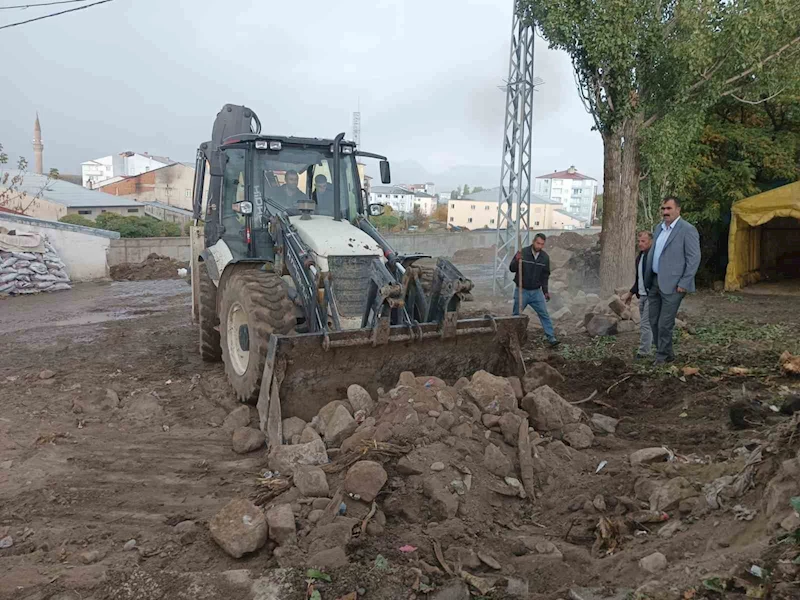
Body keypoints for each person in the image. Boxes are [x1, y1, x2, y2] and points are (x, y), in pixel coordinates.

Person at [644, 196, 701, 365]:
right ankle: (667, 353)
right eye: (663, 209)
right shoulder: (658, 228)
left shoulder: (687, 230)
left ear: (678, 210)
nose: (665, 212)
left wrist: (684, 282)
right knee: (653, 320)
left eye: (669, 209)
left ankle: (662, 356)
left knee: (665, 323)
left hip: (674, 285)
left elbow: (694, 258)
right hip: (654, 282)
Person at [509, 233, 559, 347]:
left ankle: (551, 338)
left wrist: (545, 291)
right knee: (516, 315)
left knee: (544, 314)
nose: (539, 246)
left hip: (536, 292)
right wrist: (516, 261)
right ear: (533, 241)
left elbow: (544, 276)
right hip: (522, 291)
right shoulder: (523, 253)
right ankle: (513, 339)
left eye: (542, 244)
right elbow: (512, 269)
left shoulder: (544, 258)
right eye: (538, 243)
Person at [621, 231, 654, 359]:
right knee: (650, 323)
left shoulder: (653, 257)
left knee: (645, 323)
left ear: (651, 241)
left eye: (643, 241)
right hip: (642, 295)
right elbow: (638, 279)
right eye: (639, 241)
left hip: (652, 294)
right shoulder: (640, 257)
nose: (640, 244)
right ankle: (655, 344)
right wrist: (630, 293)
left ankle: (644, 352)